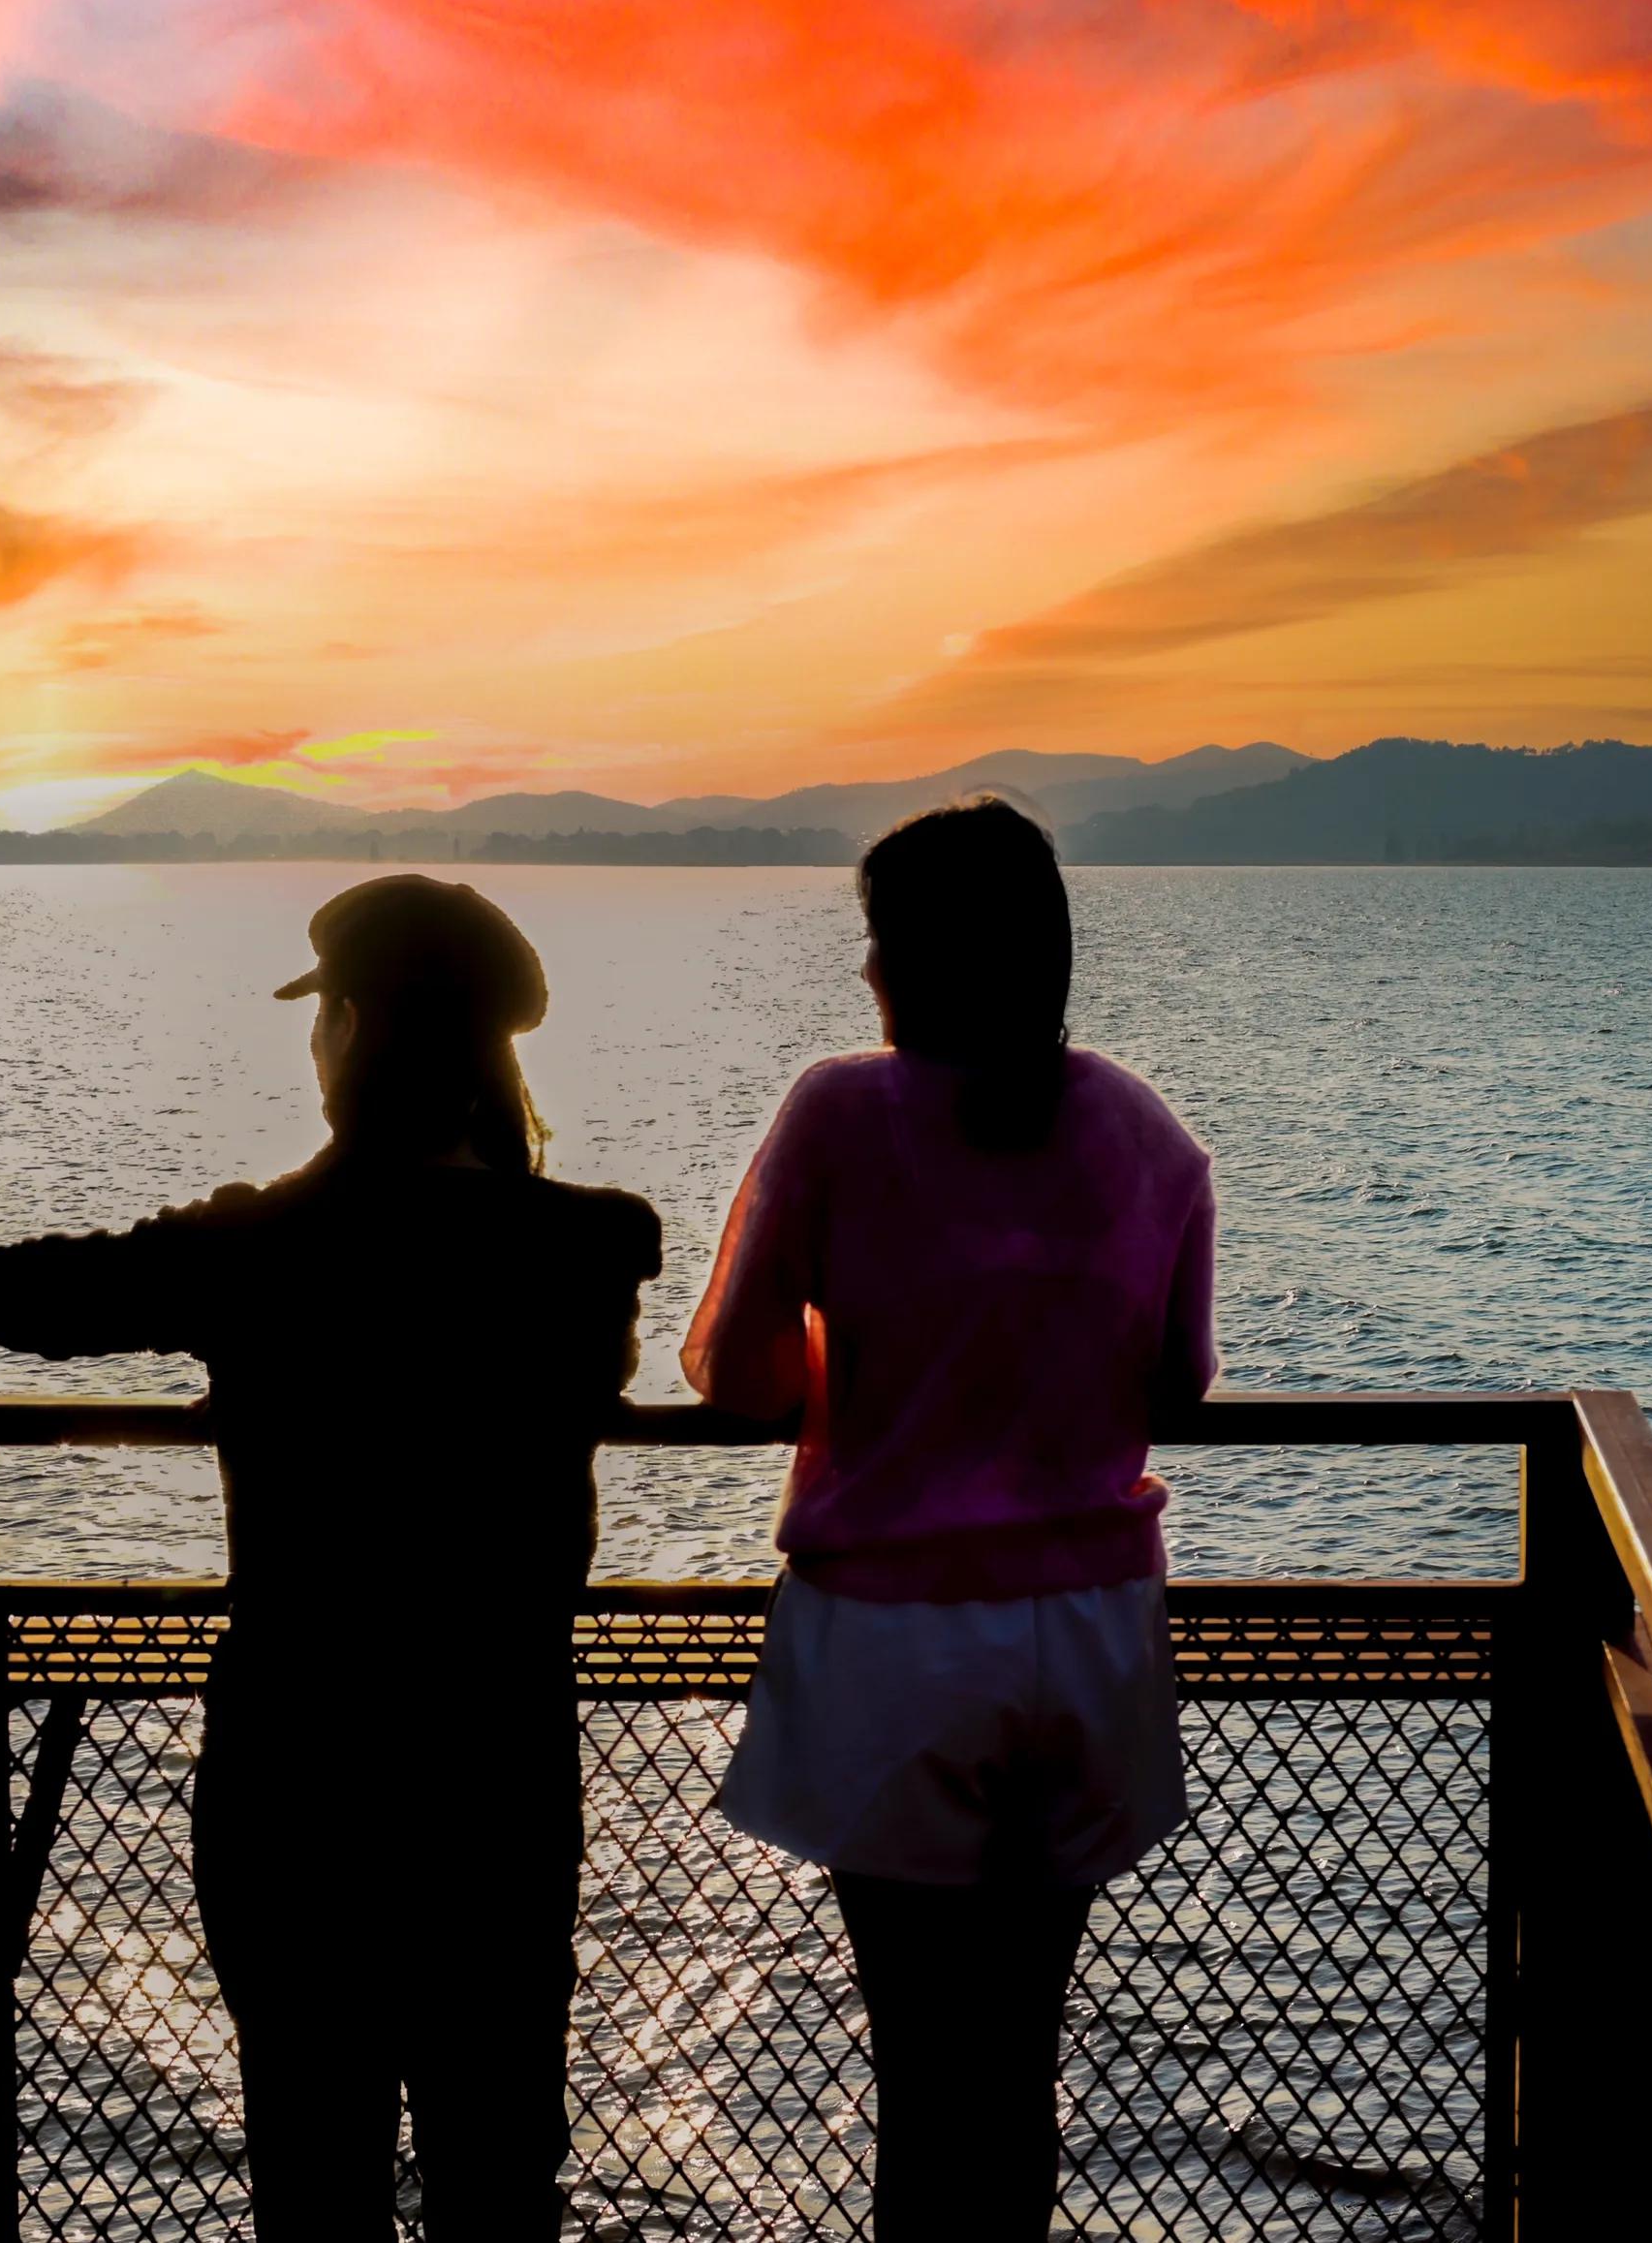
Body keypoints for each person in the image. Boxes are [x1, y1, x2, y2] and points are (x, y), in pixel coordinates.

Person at [0, 875, 660, 2240]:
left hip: (299, 1763)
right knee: (499, 2163)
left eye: (323, 1016)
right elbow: (517, 1379)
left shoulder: (256, 1248)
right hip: (499, 1766)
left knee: (314, 2155)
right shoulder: (592, 1244)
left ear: (352, 1028)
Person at [681, 796, 1216, 2241]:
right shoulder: (1146, 1131)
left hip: (896, 1644)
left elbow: (737, 1376)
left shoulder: (839, 1112)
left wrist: (859, 1364)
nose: (865, 969)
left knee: (925, 2063)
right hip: (1091, 1631)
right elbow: (1177, 1380)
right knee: (1021, 2055)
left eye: (875, 939)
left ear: (910, 959)